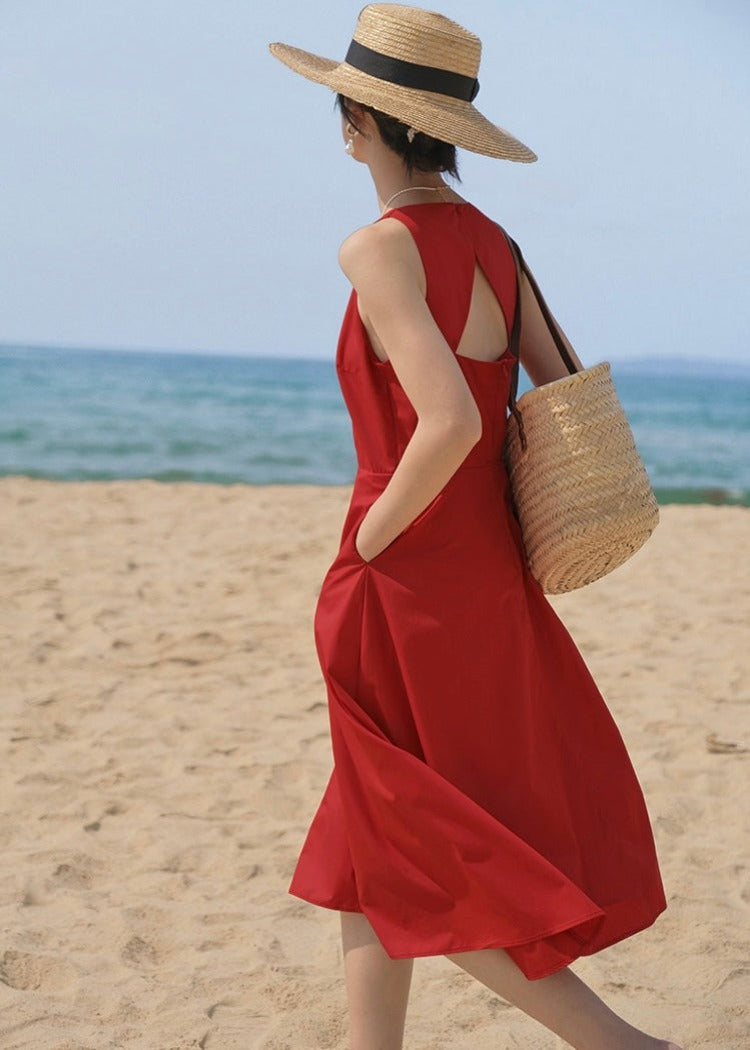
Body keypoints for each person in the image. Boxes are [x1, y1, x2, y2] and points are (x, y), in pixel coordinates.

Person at [269, 6, 683, 1049]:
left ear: (357, 120)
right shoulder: (495, 243)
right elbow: (555, 387)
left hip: (402, 581)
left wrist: (369, 541)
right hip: (490, 580)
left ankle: (621, 1046)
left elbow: (449, 418)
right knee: (378, 832)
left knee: (416, 851)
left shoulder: (378, 249)